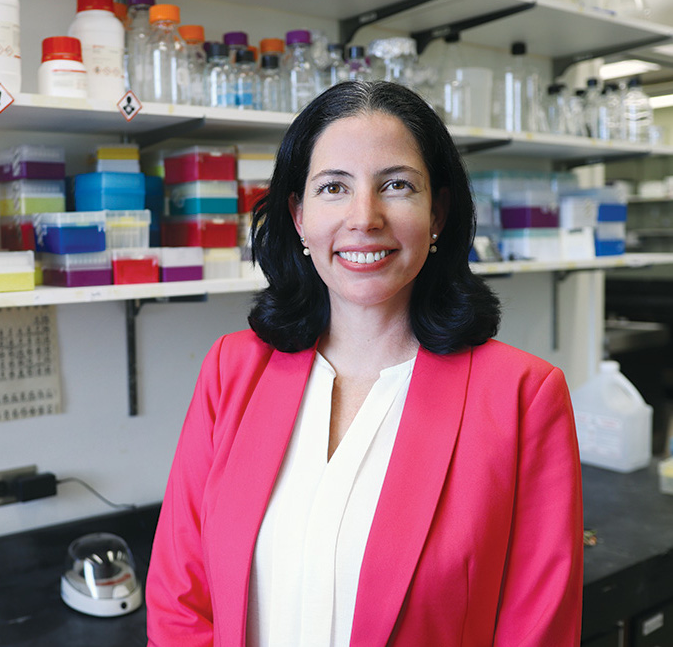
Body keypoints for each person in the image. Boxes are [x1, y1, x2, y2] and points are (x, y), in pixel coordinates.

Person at [146, 80, 583, 646]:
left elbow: (538, 632)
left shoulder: (524, 397)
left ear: (438, 212)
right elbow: (180, 599)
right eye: (333, 188)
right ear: (299, 215)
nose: (364, 217)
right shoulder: (233, 372)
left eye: (396, 185)